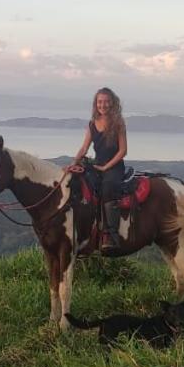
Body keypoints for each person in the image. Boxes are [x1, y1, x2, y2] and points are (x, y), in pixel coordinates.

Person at [67, 87, 128, 251]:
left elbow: (123, 151)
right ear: (96, 104)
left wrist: (106, 167)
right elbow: (84, 148)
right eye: (100, 102)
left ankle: (111, 235)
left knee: (108, 188)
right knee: (81, 186)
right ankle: (84, 231)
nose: (103, 105)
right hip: (97, 163)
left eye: (107, 101)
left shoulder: (118, 123)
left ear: (112, 103)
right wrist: (74, 162)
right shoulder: (92, 124)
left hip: (114, 166)